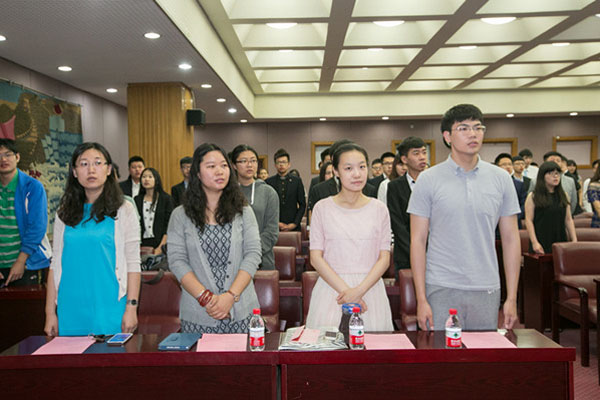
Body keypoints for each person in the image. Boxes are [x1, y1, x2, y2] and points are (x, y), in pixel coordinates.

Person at [408, 104, 521, 331]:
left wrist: (511, 297)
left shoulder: (501, 178)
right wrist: (421, 299)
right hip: (441, 285)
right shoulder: (428, 179)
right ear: (447, 136)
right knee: (441, 351)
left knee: (482, 353)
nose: (473, 134)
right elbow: (417, 241)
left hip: (486, 286)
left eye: (478, 128)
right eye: (463, 128)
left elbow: (511, 239)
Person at [44, 142, 141, 336]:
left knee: (110, 354)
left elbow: (133, 262)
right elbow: (55, 263)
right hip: (70, 304)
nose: (91, 170)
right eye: (84, 164)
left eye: (97, 163)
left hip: (109, 303)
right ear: (74, 172)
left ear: (108, 169)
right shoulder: (64, 211)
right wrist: (49, 312)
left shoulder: (124, 209)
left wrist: (131, 307)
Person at [167, 143, 262, 334]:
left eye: (224, 165)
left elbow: (253, 255)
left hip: (241, 310)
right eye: (211, 166)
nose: (220, 171)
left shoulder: (243, 211)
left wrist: (230, 297)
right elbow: (177, 261)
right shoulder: (180, 215)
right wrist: (207, 299)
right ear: (197, 173)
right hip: (198, 313)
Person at [306, 143, 393, 331]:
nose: (357, 174)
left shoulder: (379, 209)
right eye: (348, 168)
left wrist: (358, 292)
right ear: (336, 171)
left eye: (362, 167)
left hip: (370, 290)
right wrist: (348, 293)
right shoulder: (322, 208)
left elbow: (384, 258)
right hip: (332, 291)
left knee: (371, 346)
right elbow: (316, 258)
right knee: (329, 345)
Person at [0, 139, 51, 287]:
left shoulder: (32, 187)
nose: (3, 160)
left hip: (26, 264)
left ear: (17, 157)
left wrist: (21, 261)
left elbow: (37, 227)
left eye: (8, 155)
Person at [230, 144, 279, 270]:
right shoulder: (226, 193)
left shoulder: (269, 192)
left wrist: (251, 253)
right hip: (232, 261)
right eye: (243, 161)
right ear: (234, 165)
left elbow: (271, 232)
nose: (249, 165)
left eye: (253, 161)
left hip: (262, 261)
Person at [387, 137, 428, 278]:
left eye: (424, 152)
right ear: (404, 159)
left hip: (435, 255)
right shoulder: (394, 186)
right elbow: (397, 224)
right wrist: (416, 252)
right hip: (406, 256)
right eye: (416, 153)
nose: (422, 157)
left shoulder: (435, 182)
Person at [525, 161, 577, 254]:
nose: (555, 176)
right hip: (540, 240)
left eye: (557, 173)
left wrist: (574, 240)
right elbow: (529, 221)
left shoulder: (564, 195)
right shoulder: (533, 196)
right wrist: (534, 242)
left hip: (560, 238)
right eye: (550, 173)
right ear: (542, 176)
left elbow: (568, 219)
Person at [134, 167, 173, 254]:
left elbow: (168, 225)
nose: (146, 179)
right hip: (142, 243)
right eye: (144, 177)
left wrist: (161, 247)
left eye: (150, 177)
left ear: (156, 180)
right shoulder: (137, 200)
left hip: (161, 243)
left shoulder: (166, 199)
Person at [265, 149, 306, 232]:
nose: (281, 165)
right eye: (278, 162)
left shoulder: (297, 181)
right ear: (275, 165)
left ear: (289, 164)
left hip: (294, 226)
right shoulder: (268, 182)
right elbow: (266, 206)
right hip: (274, 225)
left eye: (284, 162)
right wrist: (276, 223)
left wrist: (294, 223)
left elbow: (302, 204)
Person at [527, 151, 578, 216]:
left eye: (558, 161)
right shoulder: (535, 181)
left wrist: (566, 215)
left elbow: (573, 202)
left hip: (564, 217)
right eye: (552, 160)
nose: (555, 162)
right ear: (545, 163)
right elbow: (530, 204)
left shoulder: (570, 181)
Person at [494, 153, 527, 225]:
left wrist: (514, 217)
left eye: (510, 164)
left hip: (514, 221)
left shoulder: (519, 185)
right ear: (496, 167)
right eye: (504, 164)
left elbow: (523, 205)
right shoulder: (492, 184)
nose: (508, 167)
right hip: (495, 222)